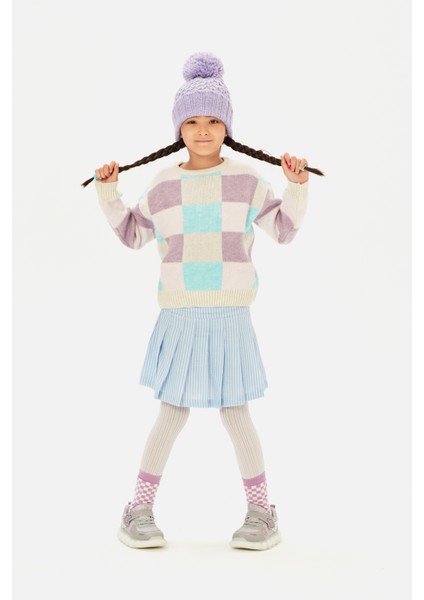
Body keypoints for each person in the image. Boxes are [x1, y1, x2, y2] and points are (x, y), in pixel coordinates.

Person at [93, 52, 309, 551]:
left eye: (213, 120)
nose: (204, 130)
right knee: (172, 412)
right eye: (192, 121)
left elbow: (283, 229)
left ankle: (261, 513)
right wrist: (108, 192)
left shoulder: (249, 182)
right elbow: (133, 235)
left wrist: (296, 188)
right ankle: (139, 510)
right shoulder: (164, 184)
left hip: (232, 317)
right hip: (180, 317)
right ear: (178, 128)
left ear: (228, 126)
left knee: (236, 413)